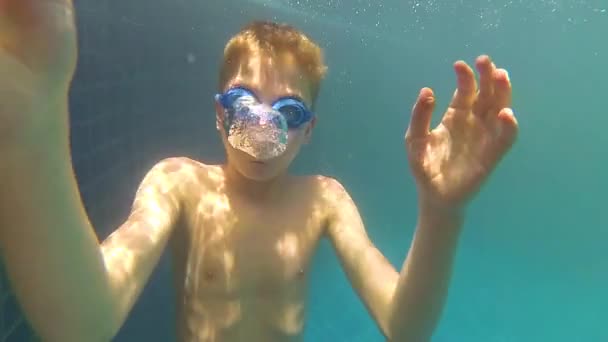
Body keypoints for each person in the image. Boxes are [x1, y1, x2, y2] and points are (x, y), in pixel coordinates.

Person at [0, 1, 519, 341]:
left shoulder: (323, 200)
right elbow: (82, 323)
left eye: (288, 114)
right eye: (245, 105)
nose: (263, 132)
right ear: (220, 114)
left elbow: (404, 327)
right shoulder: (178, 183)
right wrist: (31, 132)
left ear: (309, 131)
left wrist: (442, 212)